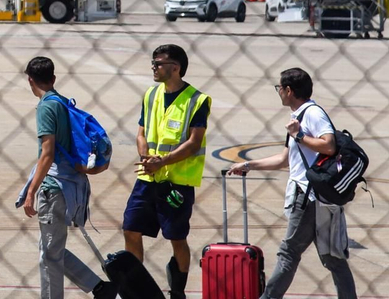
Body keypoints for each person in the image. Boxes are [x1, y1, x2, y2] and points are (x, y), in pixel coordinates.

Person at [230, 67, 356, 299]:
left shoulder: (312, 114)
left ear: (289, 90)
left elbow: (328, 145)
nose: (278, 92)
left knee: (289, 254)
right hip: (319, 197)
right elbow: (284, 160)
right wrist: (248, 165)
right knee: (333, 259)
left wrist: (299, 135)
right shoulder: (298, 117)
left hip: (308, 197)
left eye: (279, 88)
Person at [18, 56, 115, 299]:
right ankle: (99, 287)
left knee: (49, 255)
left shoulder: (46, 107)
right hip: (71, 185)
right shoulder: (62, 101)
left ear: (30, 80)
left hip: (55, 188)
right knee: (51, 248)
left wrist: (31, 190)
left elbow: (47, 154)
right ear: (53, 78)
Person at [122, 44, 210, 299]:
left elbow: (194, 142)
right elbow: (141, 132)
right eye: (153, 62)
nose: (154, 67)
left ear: (175, 67)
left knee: (176, 238)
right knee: (130, 229)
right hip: (147, 177)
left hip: (177, 183)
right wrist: (146, 156)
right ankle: (135, 287)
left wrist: (164, 161)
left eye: (158, 63)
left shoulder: (196, 100)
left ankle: (177, 290)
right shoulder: (151, 95)